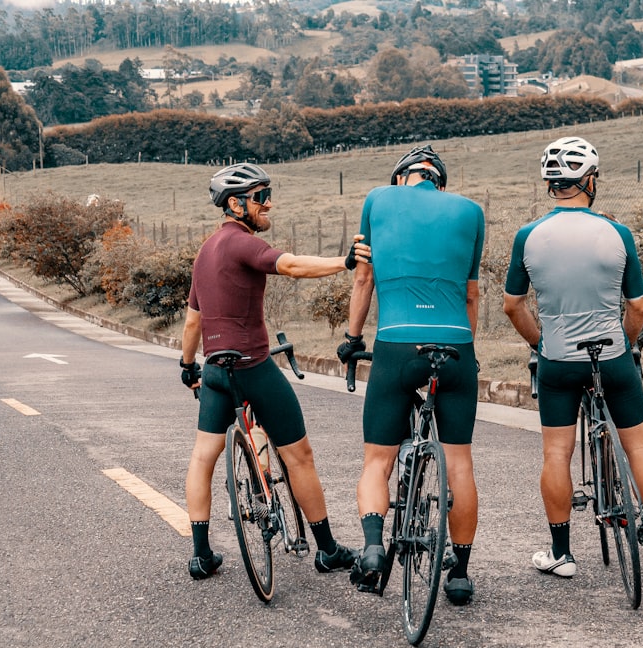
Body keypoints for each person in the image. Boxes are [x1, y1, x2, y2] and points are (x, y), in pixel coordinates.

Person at [180, 162, 370, 580]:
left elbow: (193, 321)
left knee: (203, 457)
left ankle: (200, 555)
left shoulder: (205, 251)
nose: (269, 203)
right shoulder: (240, 244)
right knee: (298, 455)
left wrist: (187, 365)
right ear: (236, 204)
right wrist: (345, 261)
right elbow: (290, 266)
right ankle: (327, 550)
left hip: (214, 369)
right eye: (260, 197)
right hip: (253, 366)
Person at [502, 137, 643, 576]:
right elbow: (638, 307)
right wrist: (626, 343)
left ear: (551, 185)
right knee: (638, 447)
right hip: (611, 356)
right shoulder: (617, 233)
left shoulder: (528, 236)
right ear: (590, 181)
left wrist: (541, 342)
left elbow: (512, 305)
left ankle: (561, 554)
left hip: (558, 359)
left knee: (556, 455)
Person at [337, 145, 484, 605]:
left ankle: (375, 548)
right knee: (459, 461)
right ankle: (458, 574)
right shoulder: (471, 211)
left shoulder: (377, 200)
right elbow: (472, 295)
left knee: (377, 461)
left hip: (397, 343)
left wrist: (352, 338)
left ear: (402, 176)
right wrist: (468, 353)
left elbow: (364, 280)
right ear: (438, 180)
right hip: (455, 344)